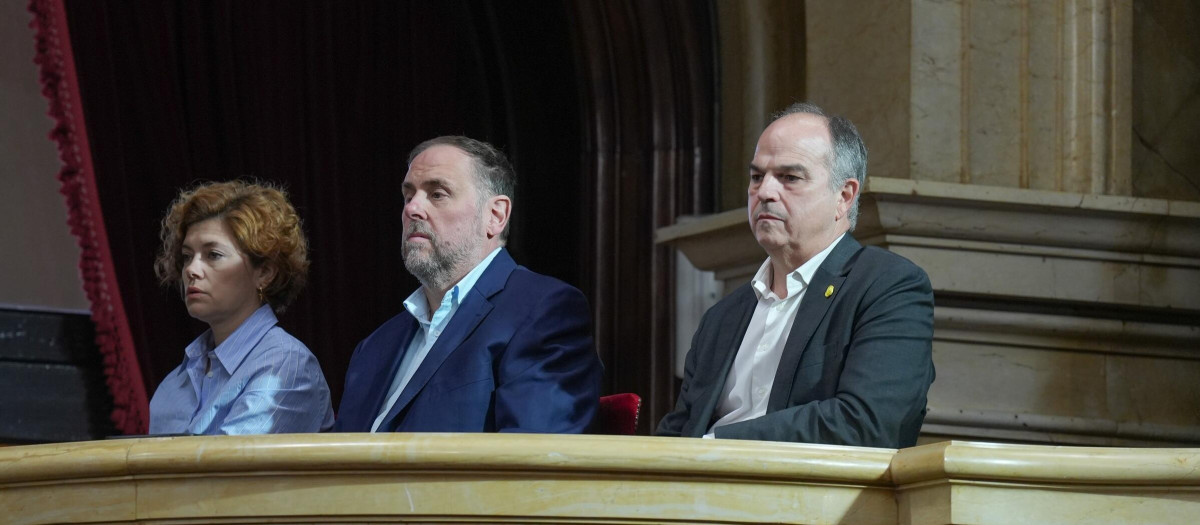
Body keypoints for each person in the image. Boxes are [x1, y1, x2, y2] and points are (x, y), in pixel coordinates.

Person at [657, 102, 935, 448]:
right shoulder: (722, 317)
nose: (765, 192)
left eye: (790, 178)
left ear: (844, 197)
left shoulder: (886, 286)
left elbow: (867, 422)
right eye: (757, 177)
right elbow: (676, 435)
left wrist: (716, 444)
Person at [334, 136, 603, 433]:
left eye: (437, 194)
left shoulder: (543, 312)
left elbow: (534, 463)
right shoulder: (374, 347)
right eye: (408, 196)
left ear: (495, 215)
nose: (412, 209)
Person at [149, 180, 334, 434]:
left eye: (213, 254)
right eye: (186, 256)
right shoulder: (174, 384)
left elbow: (229, 471)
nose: (191, 269)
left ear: (265, 273)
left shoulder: (286, 366)